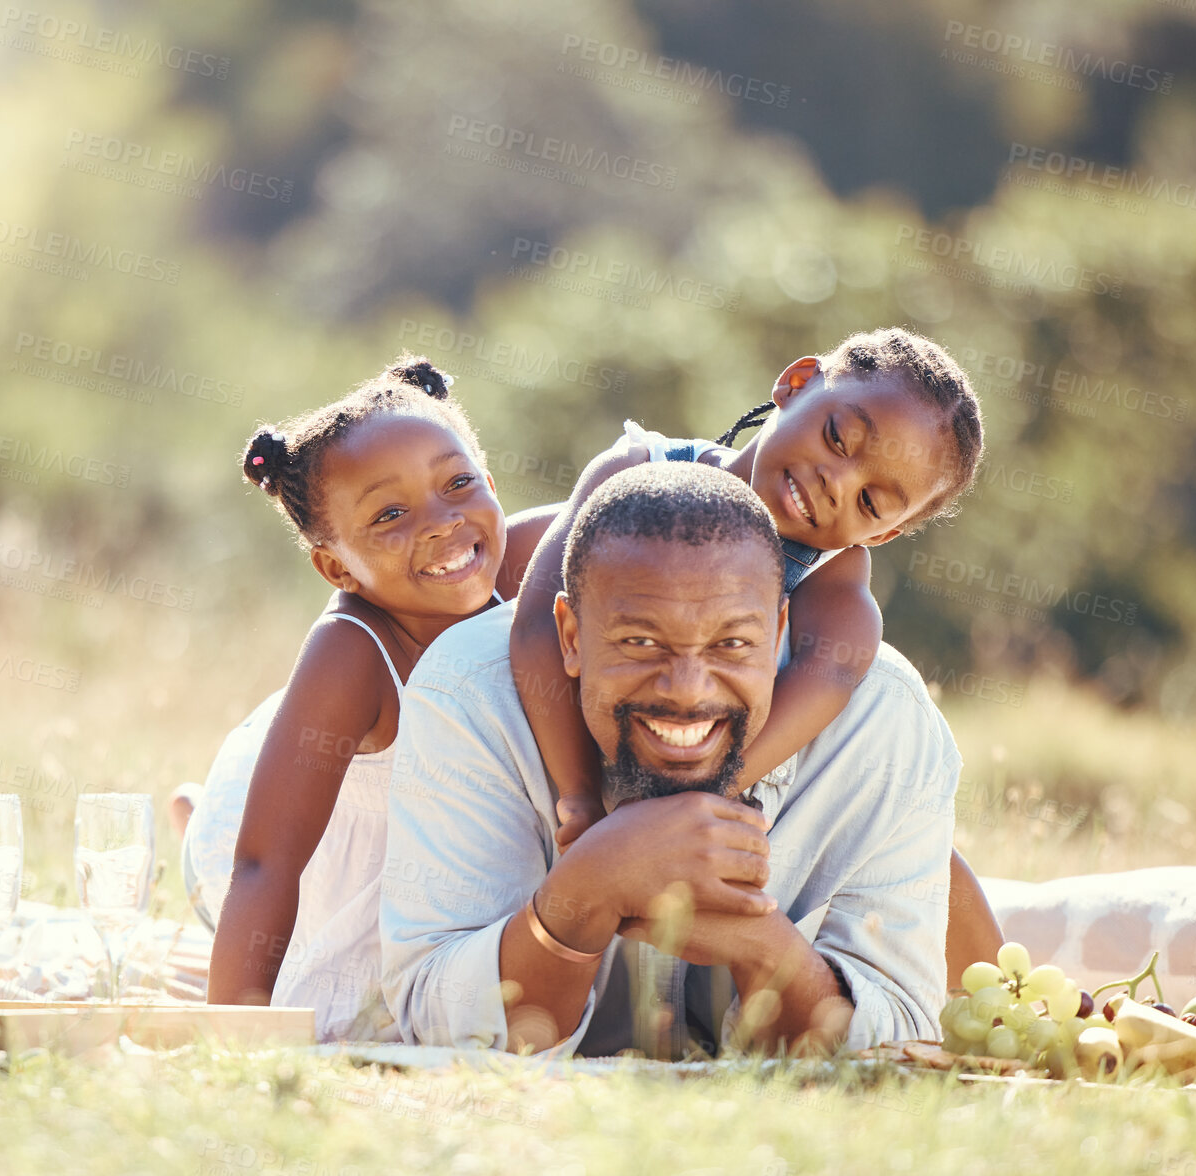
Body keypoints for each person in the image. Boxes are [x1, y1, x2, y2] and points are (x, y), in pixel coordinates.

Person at [382, 463, 962, 1056]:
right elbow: (435, 1024)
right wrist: (586, 891)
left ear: (778, 627)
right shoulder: (468, 692)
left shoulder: (886, 722)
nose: (687, 690)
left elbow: (899, 1043)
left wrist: (760, 941)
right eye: (640, 642)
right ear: (572, 636)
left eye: (732, 643)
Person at [510, 328, 1004, 982]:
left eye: (868, 501)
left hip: (704, 776)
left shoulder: (836, 592)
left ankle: (1019, 997)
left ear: (884, 532)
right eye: (837, 439)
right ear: (795, 384)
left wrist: (703, 800)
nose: (836, 482)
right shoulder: (636, 473)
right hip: (576, 745)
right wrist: (576, 797)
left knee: (915, 846)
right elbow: (537, 628)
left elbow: (828, 680)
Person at [189, 356, 554, 1039]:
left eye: (458, 483)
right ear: (336, 567)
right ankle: (189, 824)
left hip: (434, 843)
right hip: (285, 837)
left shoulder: (528, 557)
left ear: (491, 482)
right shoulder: (353, 652)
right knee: (348, 1003)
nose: (443, 522)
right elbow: (266, 862)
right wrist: (232, 1038)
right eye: (390, 514)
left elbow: (647, 503)